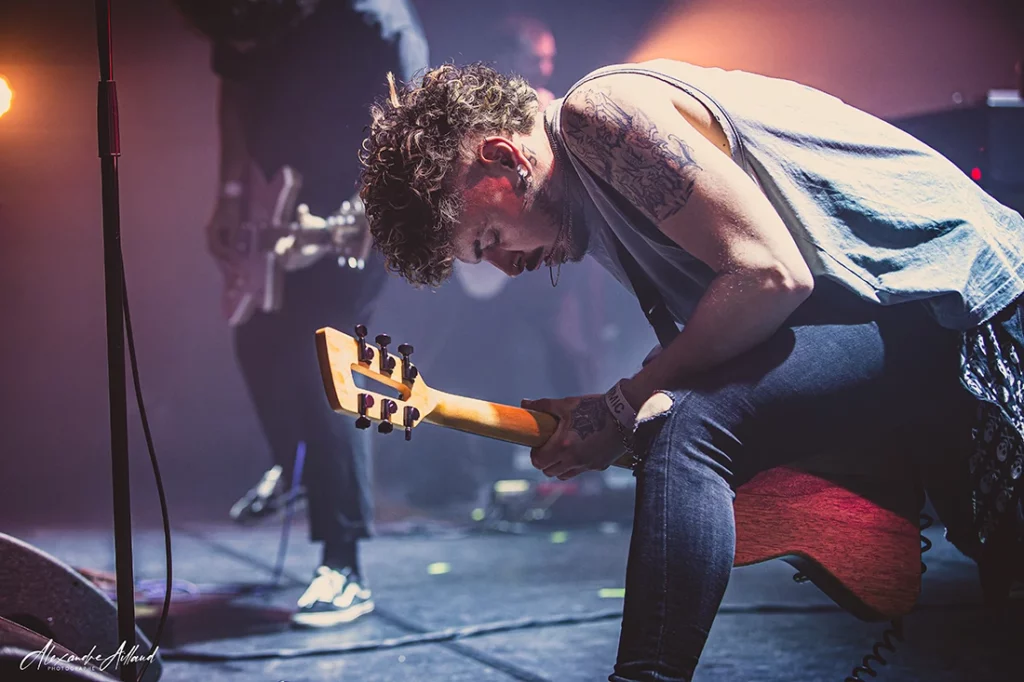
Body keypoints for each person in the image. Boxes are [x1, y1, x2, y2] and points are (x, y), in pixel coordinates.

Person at [357, 59, 1024, 679]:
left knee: (687, 427)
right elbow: (729, 335)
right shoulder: (596, 207)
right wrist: (612, 406)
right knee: (1005, 566)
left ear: (504, 157)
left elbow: (769, 276)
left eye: (490, 239)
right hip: (908, 317)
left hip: (953, 295)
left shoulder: (598, 115)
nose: (508, 267)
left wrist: (624, 405)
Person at [172, 0, 429, 627]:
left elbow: (418, 119)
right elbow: (235, 90)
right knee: (254, 340)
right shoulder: (242, 14)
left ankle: (344, 565)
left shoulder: (373, 19)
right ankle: (294, 466)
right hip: (273, 197)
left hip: (354, 210)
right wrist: (231, 190)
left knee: (324, 364)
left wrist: (375, 203)